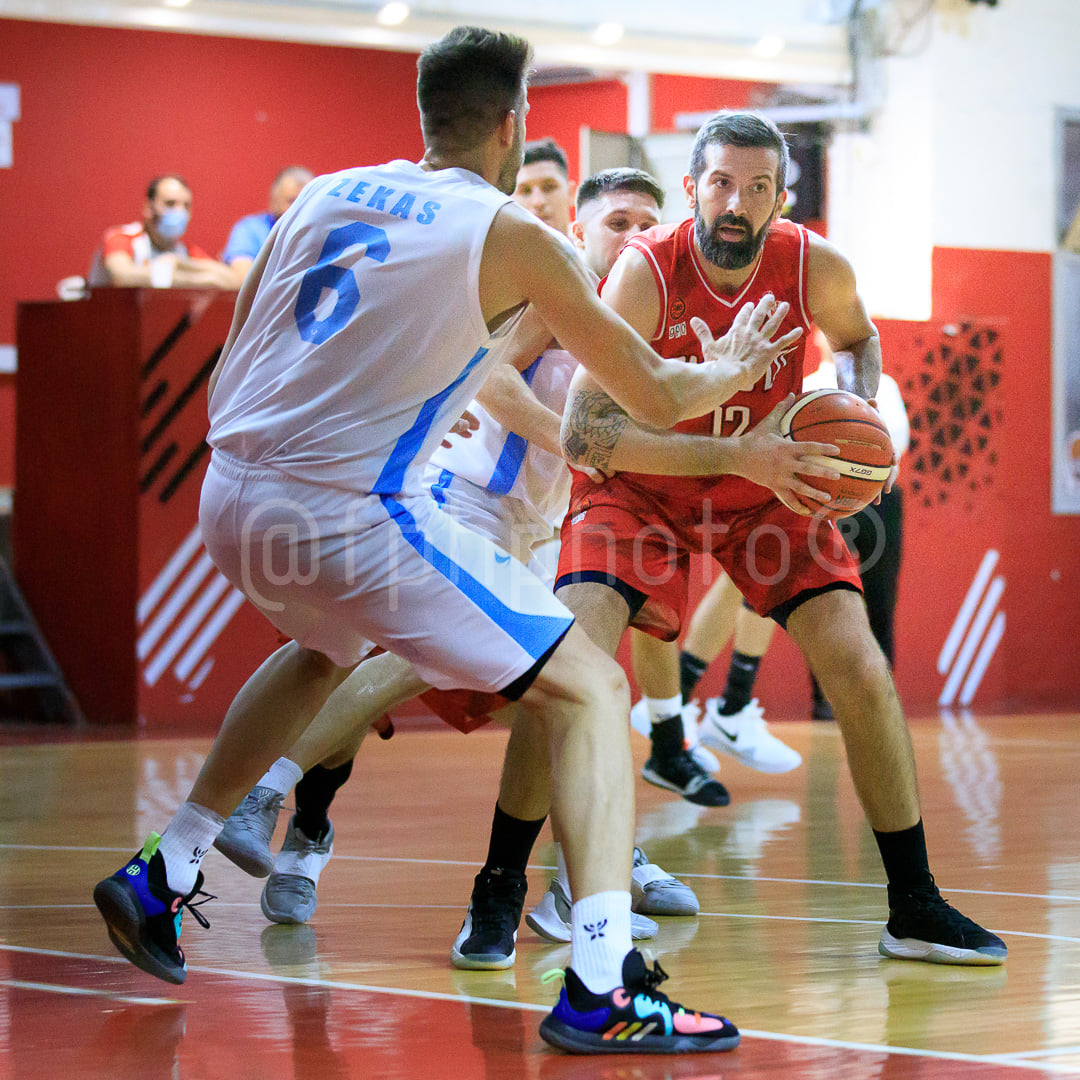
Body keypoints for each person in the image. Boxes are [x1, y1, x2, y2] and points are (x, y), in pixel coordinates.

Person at [91, 28, 806, 1056]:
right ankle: (602, 982)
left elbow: (234, 345)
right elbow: (649, 391)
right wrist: (735, 370)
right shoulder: (510, 233)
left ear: (425, 113)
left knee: (323, 649)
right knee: (594, 689)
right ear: (514, 125)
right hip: (349, 517)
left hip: (230, 492)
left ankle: (168, 868)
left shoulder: (321, 192)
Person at [462, 109, 1007, 970]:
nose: (737, 204)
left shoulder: (813, 266)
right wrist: (739, 453)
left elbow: (860, 342)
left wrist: (858, 407)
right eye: (721, 184)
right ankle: (498, 886)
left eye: (758, 189)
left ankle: (914, 903)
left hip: (765, 490)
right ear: (692, 189)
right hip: (640, 491)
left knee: (859, 665)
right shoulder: (645, 275)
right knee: (570, 668)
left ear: (781, 198)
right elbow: (585, 437)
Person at [214, 165, 698, 958]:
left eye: (646, 221)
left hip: (534, 525)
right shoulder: (555, 287)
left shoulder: (635, 312)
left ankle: (571, 878)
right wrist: (573, 445)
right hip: (461, 499)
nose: (633, 234)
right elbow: (499, 381)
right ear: (580, 230)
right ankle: (276, 801)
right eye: (617, 220)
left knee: (562, 694)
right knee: (402, 665)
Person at [87, 174, 235, 289]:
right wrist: (183, 275)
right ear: (148, 208)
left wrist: (177, 263)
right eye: (170, 204)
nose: (180, 212)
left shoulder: (185, 253)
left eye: (186, 206)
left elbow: (232, 280)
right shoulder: (122, 238)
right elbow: (122, 275)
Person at [222, 166, 314, 287]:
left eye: (306, 201)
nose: (298, 208)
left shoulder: (321, 233)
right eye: (291, 201)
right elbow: (245, 280)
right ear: (274, 200)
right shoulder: (250, 229)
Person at [512, 138, 576, 236]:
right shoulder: (489, 250)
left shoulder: (597, 249)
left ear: (571, 193)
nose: (538, 202)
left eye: (549, 188)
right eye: (525, 191)